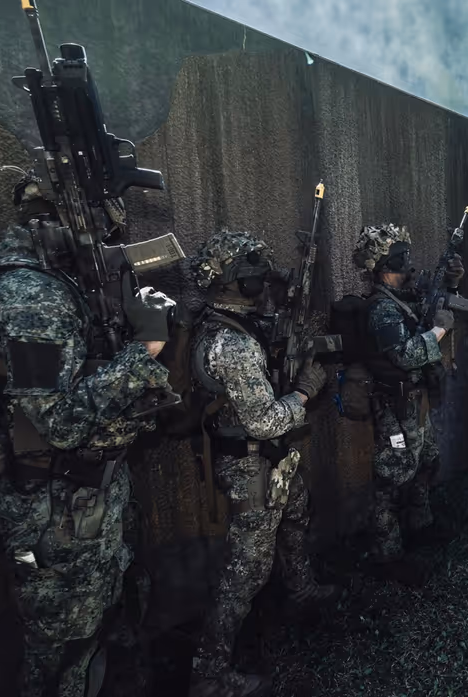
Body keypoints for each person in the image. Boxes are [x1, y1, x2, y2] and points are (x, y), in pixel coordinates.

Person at [0, 171, 177, 697]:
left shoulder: (52, 285)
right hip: (54, 510)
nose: (109, 242)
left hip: (83, 498)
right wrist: (144, 352)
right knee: (63, 658)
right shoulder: (33, 296)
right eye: (103, 229)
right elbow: (59, 423)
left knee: (100, 631)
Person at [187, 230, 337, 697]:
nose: (264, 278)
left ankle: (301, 592)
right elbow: (266, 420)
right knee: (246, 570)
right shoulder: (230, 343)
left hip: (274, 462)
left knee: (296, 516)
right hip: (252, 465)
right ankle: (208, 673)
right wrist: (305, 390)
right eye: (255, 270)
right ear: (234, 281)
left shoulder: (242, 326)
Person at [351, 223, 464, 584]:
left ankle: (420, 523)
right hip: (396, 409)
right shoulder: (382, 309)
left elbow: (430, 304)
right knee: (391, 477)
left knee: (426, 462)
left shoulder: (404, 299)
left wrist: (451, 283)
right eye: (402, 258)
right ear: (385, 266)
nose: (409, 264)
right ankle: (387, 554)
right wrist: (440, 331)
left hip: (417, 404)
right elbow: (404, 353)